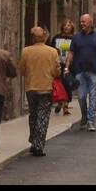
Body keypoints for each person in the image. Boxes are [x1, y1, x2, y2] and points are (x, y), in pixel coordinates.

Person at [64, 13, 96, 131]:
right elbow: (71, 53)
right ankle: (84, 115)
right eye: (81, 21)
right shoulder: (76, 37)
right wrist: (67, 67)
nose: (81, 24)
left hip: (94, 71)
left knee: (93, 96)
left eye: (84, 21)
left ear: (90, 23)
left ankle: (90, 121)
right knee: (81, 96)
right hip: (80, 71)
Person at [20, 26, 61, 156]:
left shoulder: (25, 51)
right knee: (43, 116)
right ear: (44, 37)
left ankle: (33, 139)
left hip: (31, 87)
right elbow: (56, 71)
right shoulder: (53, 52)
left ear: (32, 38)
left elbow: (22, 70)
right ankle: (38, 144)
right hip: (46, 87)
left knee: (33, 114)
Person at [50, 20, 77, 116]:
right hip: (59, 64)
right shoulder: (56, 38)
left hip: (70, 65)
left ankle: (65, 106)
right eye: (65, 25)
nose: (67, 27)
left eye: (69, 25)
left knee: (68, 85)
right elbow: (51, 50)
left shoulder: (75, 39)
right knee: (59, 84)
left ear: (72, 28)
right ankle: (60, 102)